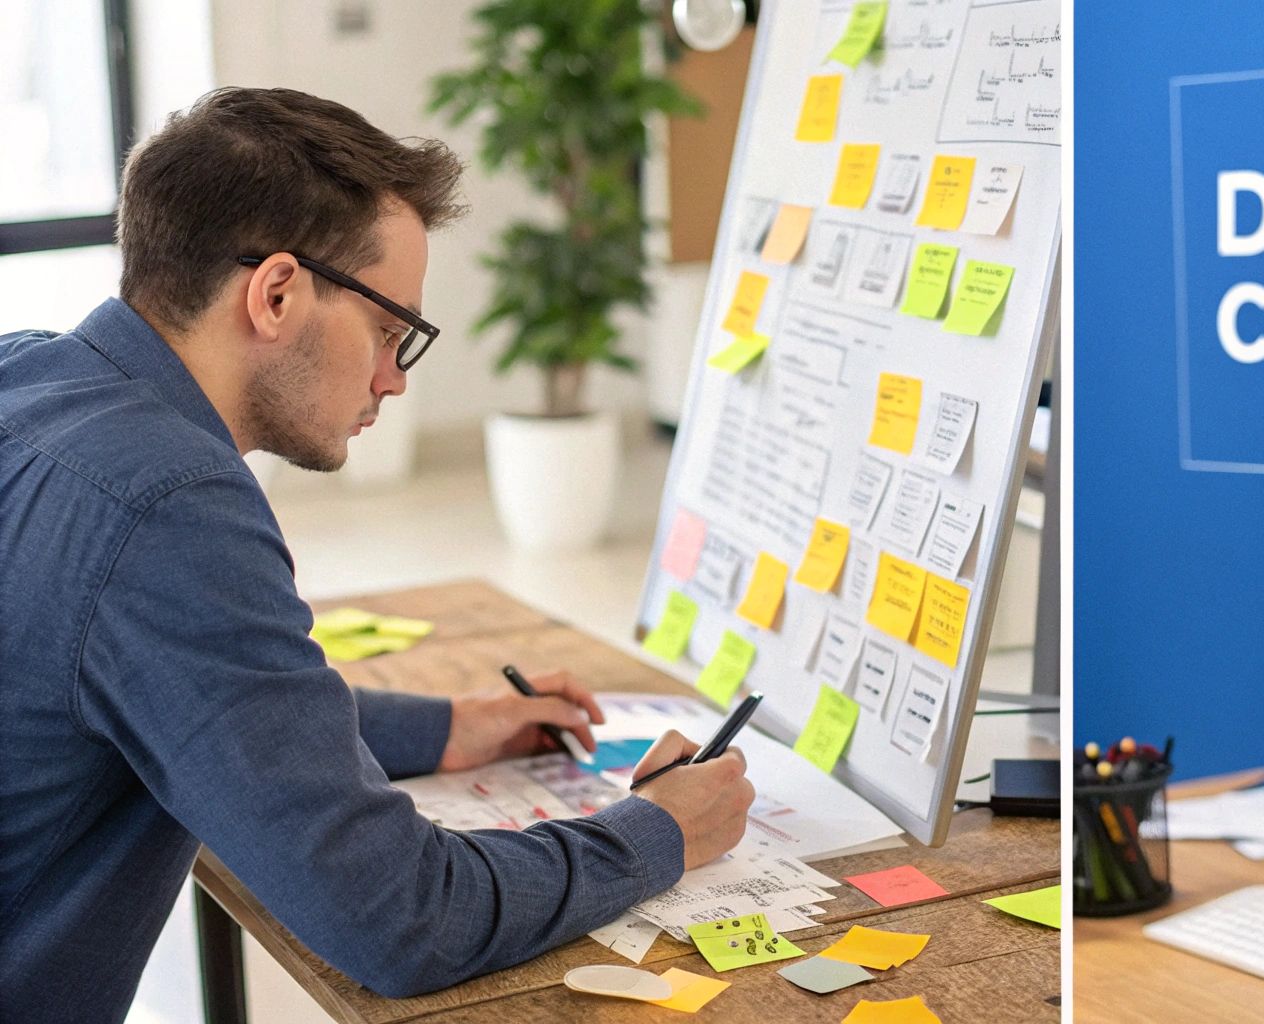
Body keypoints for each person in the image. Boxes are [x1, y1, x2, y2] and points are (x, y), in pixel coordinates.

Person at [0, 87, 754, 1023]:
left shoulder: (25, 374)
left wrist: (440, 728)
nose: (395, 378)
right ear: (276, 293)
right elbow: (400, 919)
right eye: (391, 330)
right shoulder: (168, 503)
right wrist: (659, 833)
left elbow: (196, 692)